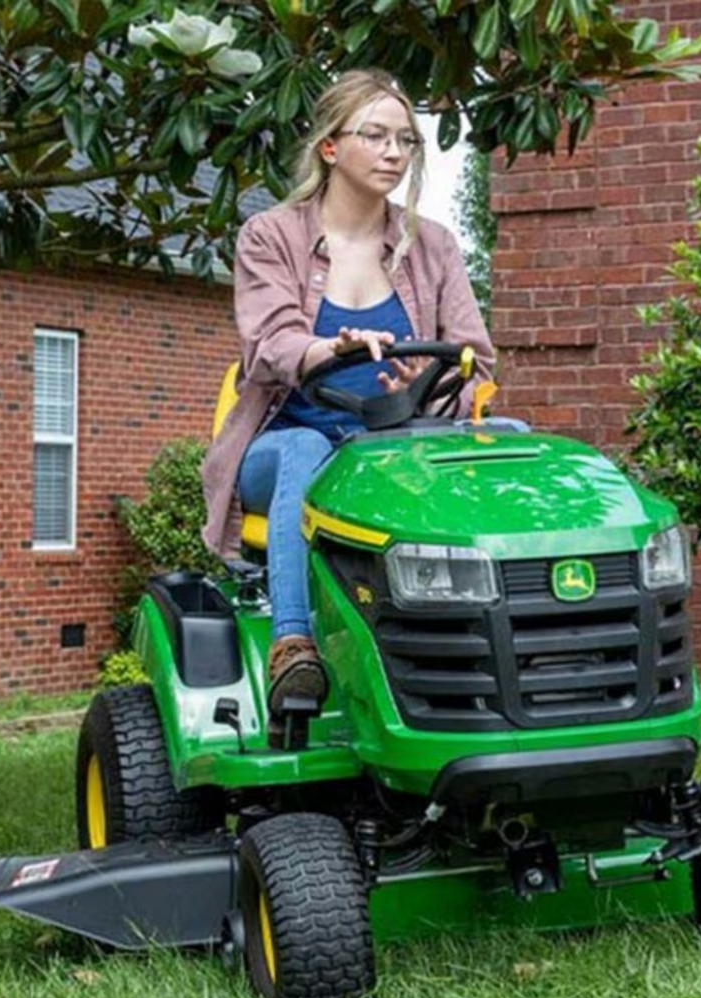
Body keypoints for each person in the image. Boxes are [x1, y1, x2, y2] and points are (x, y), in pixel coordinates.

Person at [201, 69, 494, 726]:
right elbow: (270, 342)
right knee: (306, 447)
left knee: (517, 440)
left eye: (406, 140)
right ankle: (293, 647)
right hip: (284, 445)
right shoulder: (271, 236)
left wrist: (427, 389)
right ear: (330, 147)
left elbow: (475, 358)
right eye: (376, 136)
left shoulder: (434, 245)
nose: (395, 152)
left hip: (394, 447)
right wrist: (328, 350)